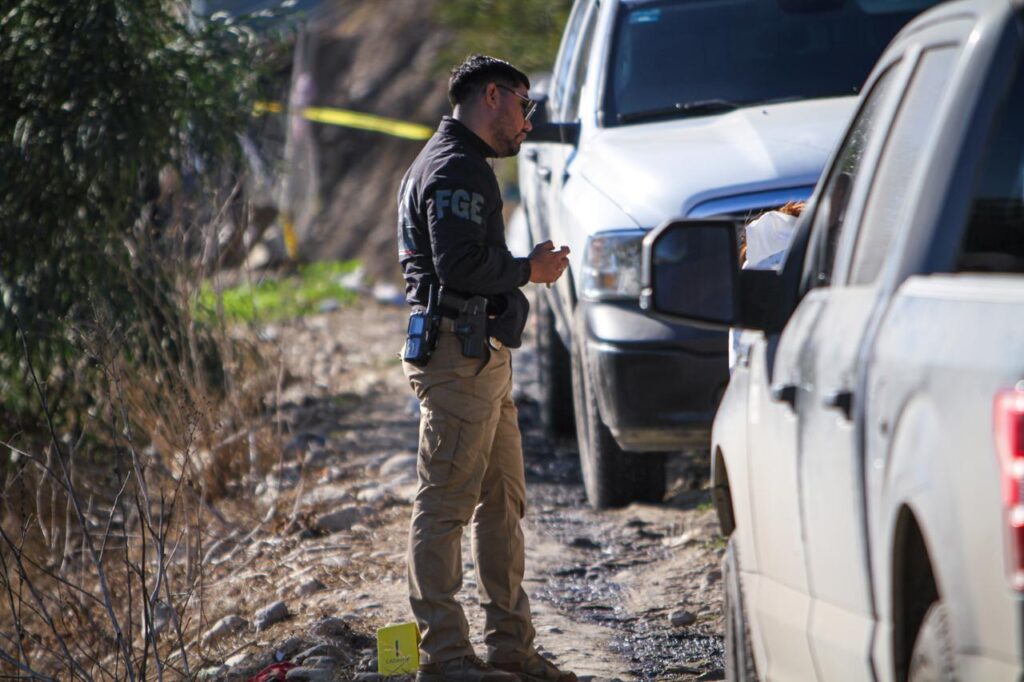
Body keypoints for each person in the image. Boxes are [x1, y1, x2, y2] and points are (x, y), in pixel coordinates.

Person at [396, 55, 576, 682]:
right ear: (493, 97)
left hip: (480, 356)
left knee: (502, 503)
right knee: (445, 506)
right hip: (457, 357)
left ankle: (510, 650)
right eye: (524, 106)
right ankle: (444, 657)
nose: (527, 123)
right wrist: (530, 269)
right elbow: (461, 267)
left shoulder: (458, 162)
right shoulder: (454, 168)